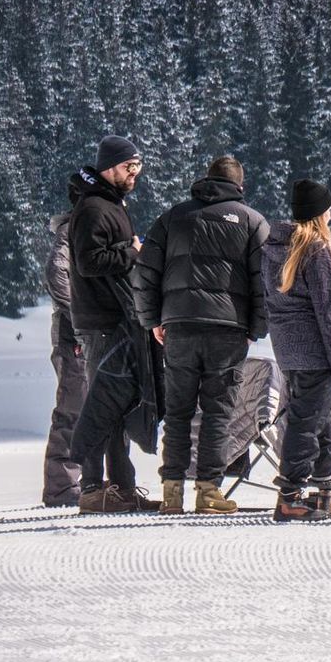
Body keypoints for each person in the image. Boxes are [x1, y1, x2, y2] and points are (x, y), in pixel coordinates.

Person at [132, 155, 269, 516]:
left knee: (177, 412)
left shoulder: (172, 218)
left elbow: (144, 273)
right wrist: (256, 328)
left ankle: (172, 492)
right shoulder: (252, 222)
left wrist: (153, 321)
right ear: (240, 186)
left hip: (178, 327)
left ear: (205, 180)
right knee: (217, 412)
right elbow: (264, 282)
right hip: (228, 329)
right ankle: (209, 491)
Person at [67, 135, 161, 513]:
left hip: (116, 319)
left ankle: (121, 486)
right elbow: (89, 262)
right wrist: (132, 251)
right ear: (109, 167)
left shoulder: (110, 204)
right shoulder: (92, 208)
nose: (134, 174)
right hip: (101, 321)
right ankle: (92, 487)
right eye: (128, 167)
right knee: (103, 403)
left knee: (119, 403)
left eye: (137, 167)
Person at [263, 180, 331, 522]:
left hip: (287, 350)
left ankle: (325, 490)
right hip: (314, 351)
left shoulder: (270, 248)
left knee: (321, 418)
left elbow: (270, 303)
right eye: (328, 209)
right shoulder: (316, 249)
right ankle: (289, 495)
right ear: (319, 214)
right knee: (305, 422)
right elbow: (329, 309)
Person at [41, 212, 84, 507]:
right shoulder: (72, 230)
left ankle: (88, 483)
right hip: (74, 334)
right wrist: (79, 321)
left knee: (97, 407)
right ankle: (60, 487)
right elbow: (56, 273)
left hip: (92, 332)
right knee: (73, 406)